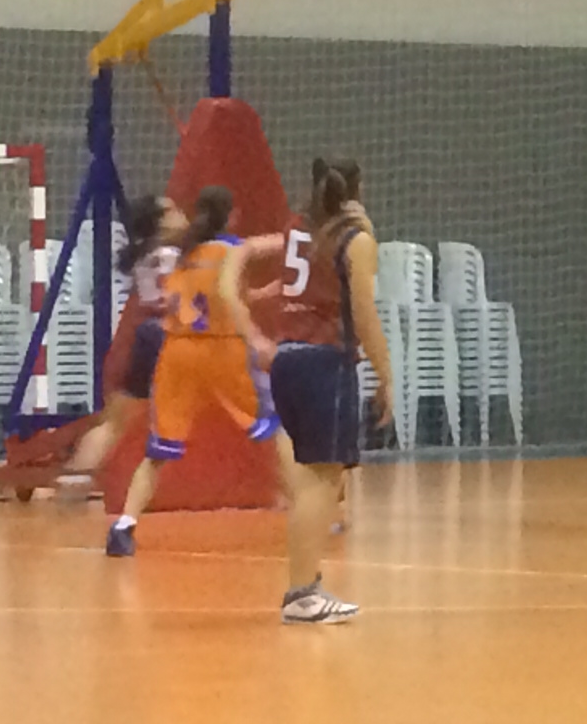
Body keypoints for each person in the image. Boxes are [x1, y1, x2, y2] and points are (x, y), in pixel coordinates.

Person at [226, 158, 394, 624]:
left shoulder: (299, 229)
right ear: (357, 191)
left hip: (287, 361)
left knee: (313, 485)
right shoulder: (353, 241)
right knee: (325, 483)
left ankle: (307, 586)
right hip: (325, 362)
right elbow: (363, 315)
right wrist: (386, 374)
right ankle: (302, 593)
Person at [104, 186, 281, 557]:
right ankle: (308, 502)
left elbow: (180, 298)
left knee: (158, 450)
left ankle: (124, 524)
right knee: (272, 426)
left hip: (178, 350)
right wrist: (300, 240)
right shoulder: (228, 249)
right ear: (230, 217)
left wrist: (263, 293)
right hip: (222, 347)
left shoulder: (178, 254)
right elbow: (234, 287)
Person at [57, 195, 183, 492]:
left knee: (116, 420)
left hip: (147, 336)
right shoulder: (168, 255)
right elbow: (171, 297)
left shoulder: (143, 254)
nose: (182, 213)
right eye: (174, 209)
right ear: (160, 221)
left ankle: (77, 475)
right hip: (167, 336)